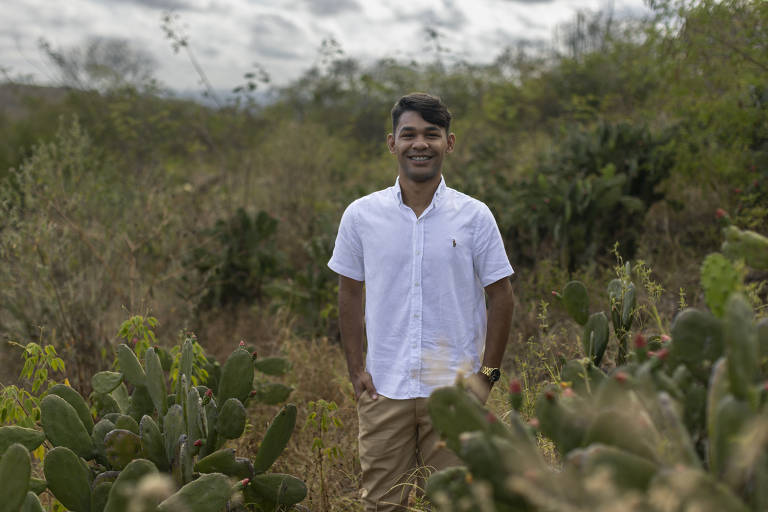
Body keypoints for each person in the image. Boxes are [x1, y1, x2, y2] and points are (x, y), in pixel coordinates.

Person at [328, 92, 515, 511]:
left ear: (449, 143)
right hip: (384, 391)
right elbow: (349, 292)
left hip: (454, 393)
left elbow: (501, 295)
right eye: (408, 134)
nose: (420, 143)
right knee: (380, 503)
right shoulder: (361, 216)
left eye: (432, 134)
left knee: (451, 503)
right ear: (391, 143)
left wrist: (487, 375)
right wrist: (356, 369)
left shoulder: (475, 216)